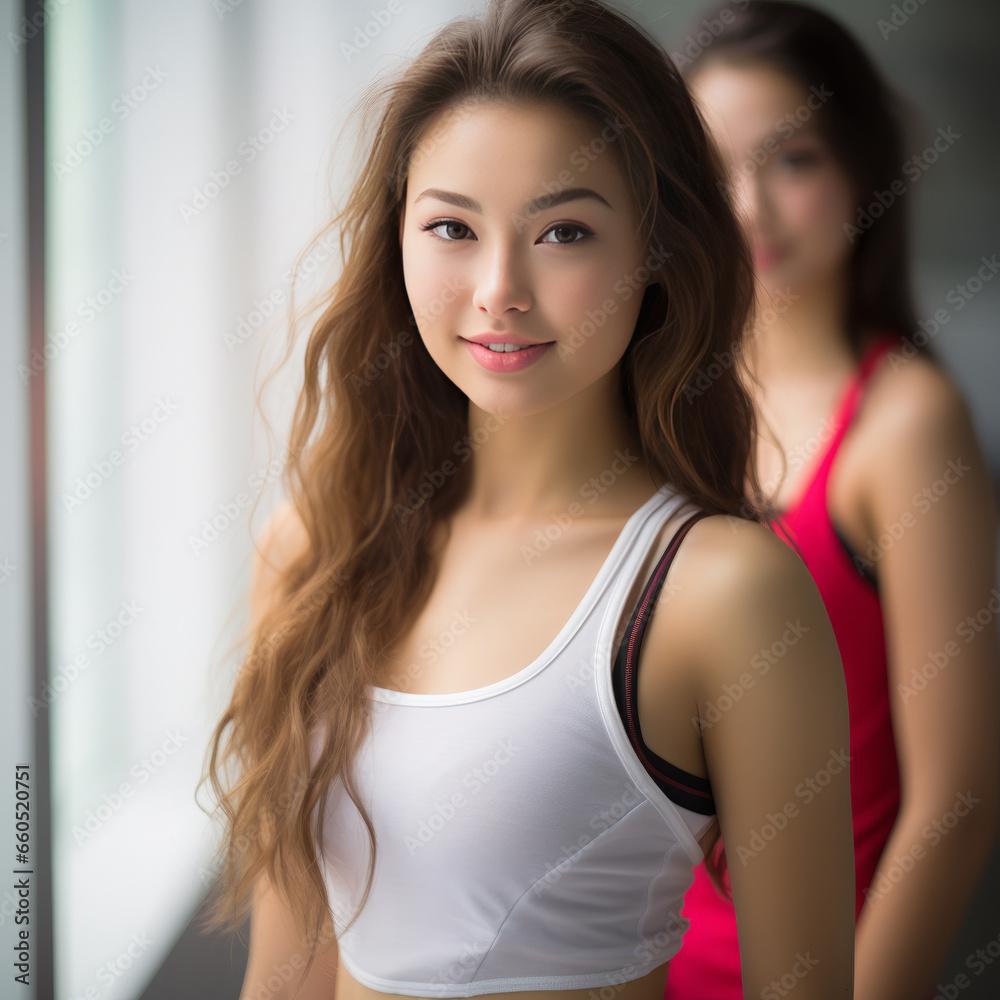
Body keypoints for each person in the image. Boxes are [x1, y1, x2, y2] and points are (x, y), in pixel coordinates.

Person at [197, 1, 858, 997]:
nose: (500, 287)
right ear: (397, 241)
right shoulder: (312, 551)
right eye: (453, 226)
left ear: (657, 254)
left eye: (563, 231)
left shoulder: (720, 592)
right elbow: (285, 974)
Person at [659, 3, 1000, 999]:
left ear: (860, 172)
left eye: (792, 161)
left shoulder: (904, 427)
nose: (750, 208)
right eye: (713, 168)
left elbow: (957, 800)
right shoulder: (659, 398)